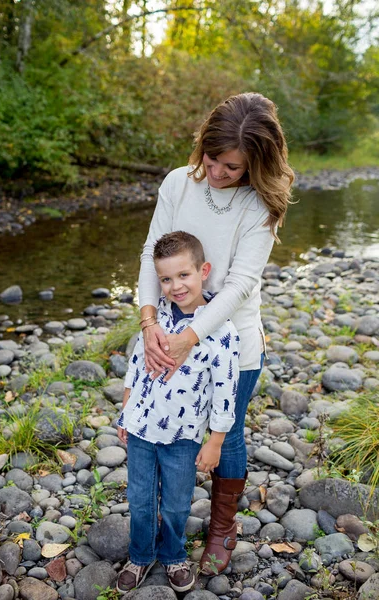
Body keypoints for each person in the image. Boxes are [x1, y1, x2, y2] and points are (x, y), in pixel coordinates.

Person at [137, 92, 294, 574]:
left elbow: (241, 286)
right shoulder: (178, 184)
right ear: (202, 144)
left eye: (234, 167)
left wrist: (192, 338)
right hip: (164, 333)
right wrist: (148, 323)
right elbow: (150, 254)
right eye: (214, 159)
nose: (221, 173)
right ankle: (163, 519)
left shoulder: (259, 203)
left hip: (233, 342)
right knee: (166, 426)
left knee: (226, 433)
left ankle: (223, 527)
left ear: (256, 164)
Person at [116, 231, 239, 594]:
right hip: (140, 429)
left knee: (174, 503)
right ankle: (140, 554)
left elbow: (225, 392)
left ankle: (172, 554)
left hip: (181, 436)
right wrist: (127, 410)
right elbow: (136, 366)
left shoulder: (221, 331)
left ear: (204, 270)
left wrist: (215, 442)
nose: (175, 286)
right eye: (166, 279)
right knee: (139, 499)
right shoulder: (155, 322)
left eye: (183, 275)